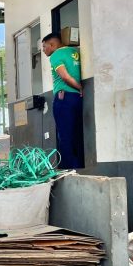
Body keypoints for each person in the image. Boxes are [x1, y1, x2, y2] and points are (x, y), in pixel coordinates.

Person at [42, 32, 84, 169]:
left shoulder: (55, 56)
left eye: (44, 46)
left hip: (64, 98)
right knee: (77, 134)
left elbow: (65, 77)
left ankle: (68, 169)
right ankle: (79, 165)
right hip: (77, 100)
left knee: (65, 135)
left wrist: (79, 87)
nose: (43, 50)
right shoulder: (74, 51)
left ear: (52, 44)